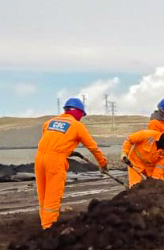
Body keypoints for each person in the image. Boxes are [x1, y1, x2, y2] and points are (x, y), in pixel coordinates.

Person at [34, 98, 108, 229]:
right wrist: (103, 163)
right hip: (55, 161)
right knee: (53, 195)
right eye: (82, 115)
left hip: (39, 158)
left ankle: (43, 222)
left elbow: (52, 139)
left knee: (43, 194)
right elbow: (93, 148)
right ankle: (48, 228)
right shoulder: (77, 126)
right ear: (78, 112)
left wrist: (67, 150)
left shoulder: (49, 122)